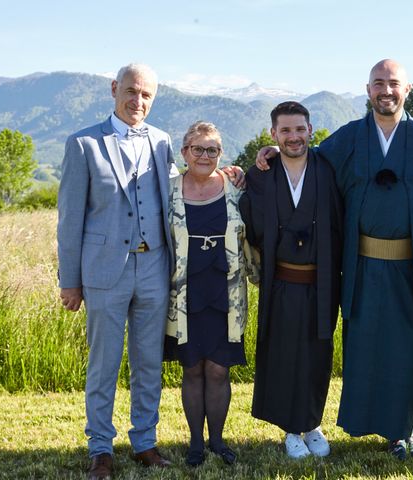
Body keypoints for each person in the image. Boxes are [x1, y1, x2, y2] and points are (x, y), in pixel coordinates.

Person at [258, 60, 413, 459]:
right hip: (361, 264)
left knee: (409, 349)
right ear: (367, 89)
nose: (386, 90)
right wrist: (274, 152)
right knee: (362, 346)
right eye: (378, 83)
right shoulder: (348, 138)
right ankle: (364, 422)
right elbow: (307, 158)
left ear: (407, 89)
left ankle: (404, 429)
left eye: (393, 83)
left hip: (411, 267)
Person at [57, 63, 176, 479]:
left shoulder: (163, 143)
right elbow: (70, 218)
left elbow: (177, 196)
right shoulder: (83, 144)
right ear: (114, 89)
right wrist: (68, 280)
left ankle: (144, 441)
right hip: (104, 271)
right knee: (103, 363)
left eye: (146, 95)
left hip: (154, 268)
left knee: (149, 362)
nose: (137, 101)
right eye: (131, 91)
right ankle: (101, 449)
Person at [239, 101, 343, 458]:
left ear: (311, 130)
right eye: (285, 130)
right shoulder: (261, 175)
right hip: (281, 283)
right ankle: (289, 428)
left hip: (321, 282)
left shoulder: (329, 170)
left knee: (317, 352)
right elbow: (248, 224)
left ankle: (312, 423)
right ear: (273, 134)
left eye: (300, 129)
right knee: (284, 354)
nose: (293, 137)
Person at [165, 121, 252, 467]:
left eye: (212, 149)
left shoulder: (235, 187)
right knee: (192, 369)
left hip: (226, 293)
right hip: (183, 293)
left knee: (218, 369)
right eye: (197, 149)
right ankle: (196, 443)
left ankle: (217, 440)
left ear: (221, 153)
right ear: (184, 152)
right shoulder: (167, 189)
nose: (204, 155)